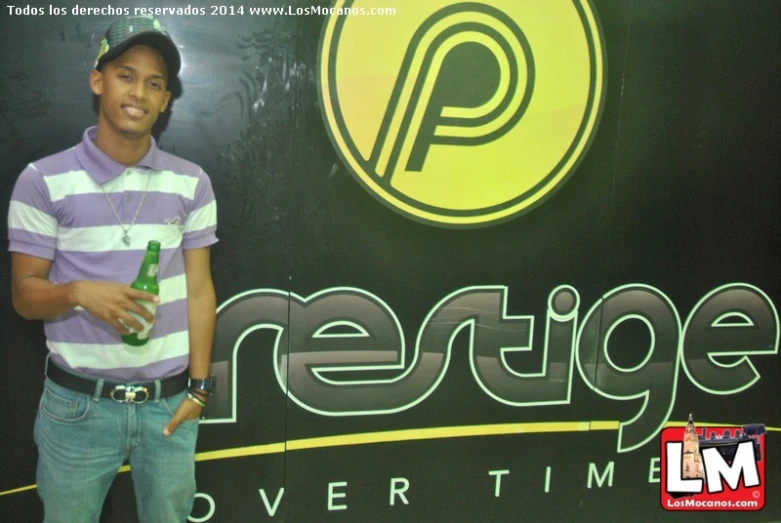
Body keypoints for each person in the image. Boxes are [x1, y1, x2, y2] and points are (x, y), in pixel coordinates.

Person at [7, 15, 217, 523]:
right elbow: (24, 296)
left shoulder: (192, 184)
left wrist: (199, 389)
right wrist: (78, 292)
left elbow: (199, 291)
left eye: (154, 82)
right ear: (98, 81)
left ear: (166, 100)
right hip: (78, 409)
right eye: (125, 74)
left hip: (168, 408)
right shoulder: (42, 181)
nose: (139, 92)